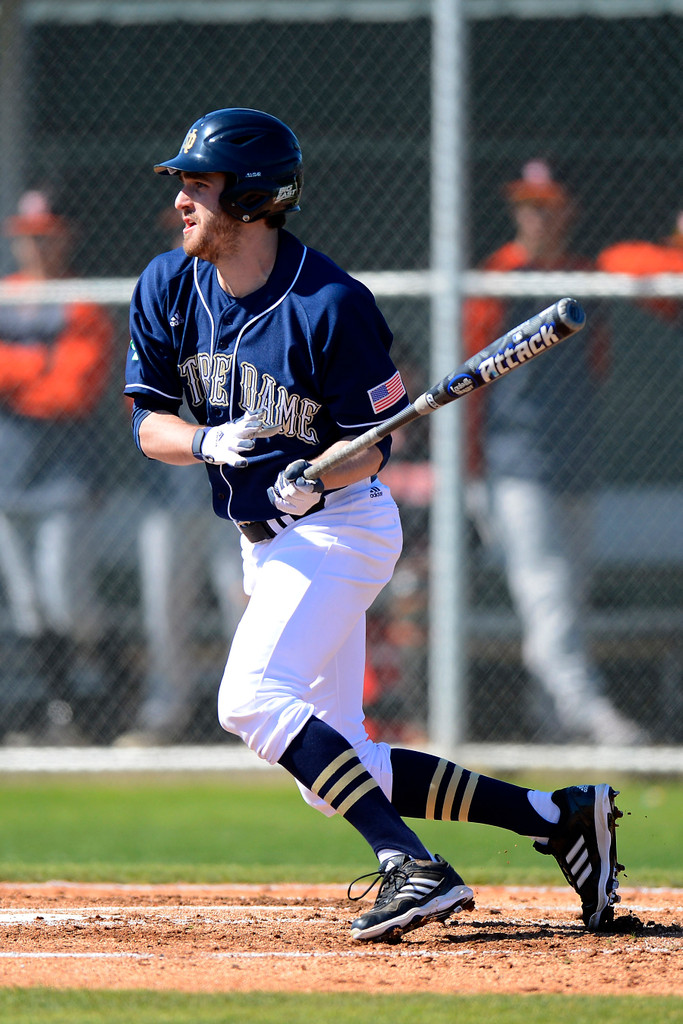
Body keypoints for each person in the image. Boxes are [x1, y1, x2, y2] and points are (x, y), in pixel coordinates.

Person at [124, 109, 624, 941]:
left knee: (249, 699)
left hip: (340, 528)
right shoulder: (168, 285)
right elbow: (148, 428)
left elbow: (372, 446)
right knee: (334, 768)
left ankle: (411, 865)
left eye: (198, 185)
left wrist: (309, 479)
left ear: (251, 197)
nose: (182, 200)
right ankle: (560, 817)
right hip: (266, 543)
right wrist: (212, 441)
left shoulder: (329, 304)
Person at [463, 159, 645, 746]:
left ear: (568, 210)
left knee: (572, 593)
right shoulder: (499, 274)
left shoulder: (583, 276)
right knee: (547, 591)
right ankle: (587, 710)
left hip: (573, 463)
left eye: (546, 203)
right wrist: (472, 472)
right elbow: (470, 384)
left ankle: (551, 720)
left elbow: (598, 367)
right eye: (525, 203)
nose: (534, 214)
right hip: (514, 466)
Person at [0, 190, 113, 743]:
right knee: (27, 604)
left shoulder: (82, 302)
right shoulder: (4, 295)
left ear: (65, 236)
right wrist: (35, 365)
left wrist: (13, 371)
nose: (34, 244)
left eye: (45, 233)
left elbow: (70, 390)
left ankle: (114, 681)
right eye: (26, 233)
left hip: (65, 478)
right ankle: (60, 709)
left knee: (66, 599)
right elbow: (46, 378)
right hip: (7, 476)